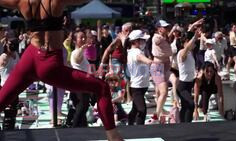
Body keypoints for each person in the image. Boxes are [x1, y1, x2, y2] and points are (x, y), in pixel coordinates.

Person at [0, 1, 123, 140]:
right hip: (49, 62)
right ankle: (113, 136)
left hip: (29, 57)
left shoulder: (22, 1)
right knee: (102, 88)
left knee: (2, 100)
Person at [176, 19, 203, 122]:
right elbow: (187, 45)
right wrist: (195, 37)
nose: (194, 43)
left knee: (185, 107)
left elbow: (187, 36)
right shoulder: (182, 53)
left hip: (189, 85)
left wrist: (194, 25)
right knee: (191, 104)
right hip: (182, 87)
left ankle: (183, 126)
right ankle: (187, 126)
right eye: (191, 41)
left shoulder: (191, 53)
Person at [127, 30, 152, 125]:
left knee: (135, 108)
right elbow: (146, 60)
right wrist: (153, 62)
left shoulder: (135, 51)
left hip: (141, 85)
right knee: (142, 110)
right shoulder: (136, 52)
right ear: (136, 41)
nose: (144, 42)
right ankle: (140, 130)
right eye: (142, 40)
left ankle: (129, 124)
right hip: (137, 87)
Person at [150, 20, 173, 123]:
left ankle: (160, 111)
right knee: (164, 92)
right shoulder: (157, 37)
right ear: (159, 28)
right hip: (158, 67)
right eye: (164, 27)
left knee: (160, 92)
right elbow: (156, 41)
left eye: (167, 27)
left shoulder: (164, 37)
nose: (167, 29)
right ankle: (156, 115)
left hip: (165, 66)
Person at [0, 38, 19, 130]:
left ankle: (10, 127)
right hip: (5, 85)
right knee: (8, 108)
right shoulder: (4, 57)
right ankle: (7, 128)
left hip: (14, 85)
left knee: (13, 109)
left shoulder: (16, 54)